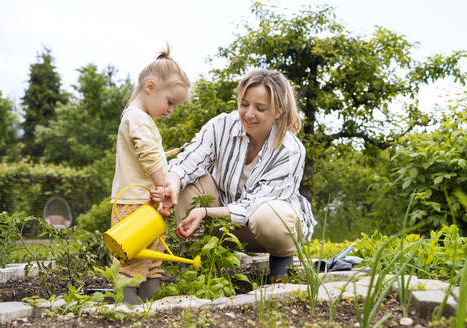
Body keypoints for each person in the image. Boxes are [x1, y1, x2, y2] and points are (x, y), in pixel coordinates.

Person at [155, 69, 316, 282]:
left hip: (263, 229)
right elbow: (188, 162)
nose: (248, 114)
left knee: (269, 215)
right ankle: (199, 261)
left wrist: (205, 212)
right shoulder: (221, 125)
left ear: (278, 111)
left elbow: (254, 205)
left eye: (260, 108)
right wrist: (172, 183)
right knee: (188, 181)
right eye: (244, 104)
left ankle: (281, 264)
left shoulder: (290, 150)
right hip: (222, 223)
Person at [110, 47, 190, 304]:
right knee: (132, 249)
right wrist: (163, 185)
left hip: (143, 200)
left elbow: (150, 156)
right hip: (132, 201)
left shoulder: (140, 118)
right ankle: (127, 293)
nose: (171, 110)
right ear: (150, 86)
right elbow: (148, 155)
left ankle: (150, 288)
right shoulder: (137, 118)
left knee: (153, 247)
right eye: (170, 102)